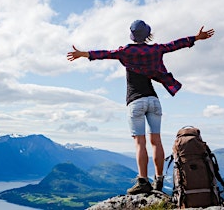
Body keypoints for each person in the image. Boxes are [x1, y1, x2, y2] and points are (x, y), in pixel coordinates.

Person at [66, 20, 214, 194]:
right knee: (156, 141)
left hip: (136, 102)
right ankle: (159, 180)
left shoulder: (126, 52)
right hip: (154, 101)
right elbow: (174, 45)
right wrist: (195, 38)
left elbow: (105, 53)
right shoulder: (155, 50)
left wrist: (82, 54)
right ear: (147, 35)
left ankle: (143, 181)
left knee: (140, 143)